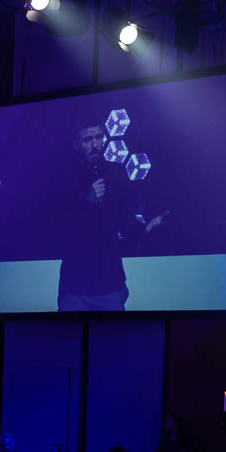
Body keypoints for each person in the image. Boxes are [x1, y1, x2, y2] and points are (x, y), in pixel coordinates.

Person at [56, 117, 169, 311]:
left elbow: (124, 220)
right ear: (76, 145)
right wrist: (86, 202)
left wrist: (146, 228)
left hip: (109, 281)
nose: (94, 145)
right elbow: (57, 224)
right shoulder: (64, 176)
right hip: (75, 283)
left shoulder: (115, 173)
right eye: (87, 140)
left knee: (113, 338)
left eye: (98, 137)